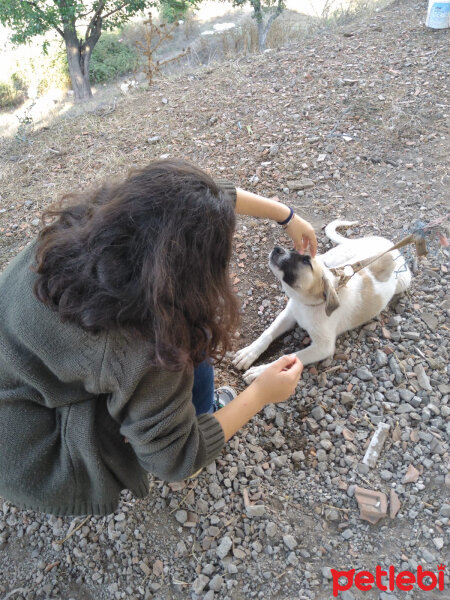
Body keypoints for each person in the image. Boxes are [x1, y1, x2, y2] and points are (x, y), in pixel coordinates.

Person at [0, 159, 317, 516]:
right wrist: (260, 394)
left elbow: (199, 199)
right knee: (189, 344)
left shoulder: (86, 221)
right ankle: (202, 414)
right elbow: (174, 459)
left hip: (18, 375)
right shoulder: (144, 341)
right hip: (32, 455)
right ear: (190, 271)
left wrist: (287, 216)